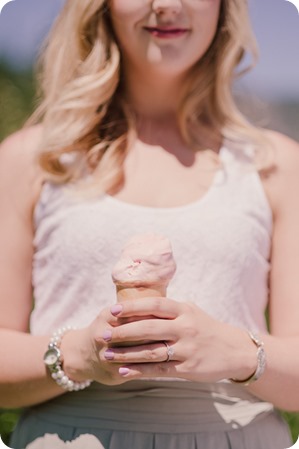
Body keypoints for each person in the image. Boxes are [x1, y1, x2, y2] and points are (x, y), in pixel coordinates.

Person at [0, 0, 298, 448]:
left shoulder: (278, 166)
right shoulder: (32, 159)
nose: (167, 5)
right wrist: (82, 354)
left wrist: (236, 351)